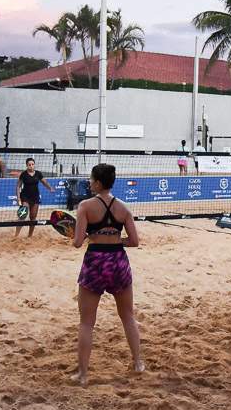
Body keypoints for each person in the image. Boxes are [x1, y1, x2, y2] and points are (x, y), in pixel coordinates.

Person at [70, 162, 143, 384]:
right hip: (118, 261)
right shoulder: (124, 207)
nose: (90, 182)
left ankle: (83, 374)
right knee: (128, 316)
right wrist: (114, 239)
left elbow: (77, 242)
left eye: (91, 179)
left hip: (95, 261)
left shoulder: (85, 206)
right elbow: (134, 241)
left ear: (98, 183)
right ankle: (138, 364)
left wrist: (88, 237)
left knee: (87, 322)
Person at [15, 158, 56, 238]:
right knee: (22, 215)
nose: (31, 166)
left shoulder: (38, 174)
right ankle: (16, 235)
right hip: (25, 196)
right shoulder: (24, 174)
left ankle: (30, 236)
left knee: (33, 218)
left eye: (32, 164)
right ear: (27, 166)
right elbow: (18, 186)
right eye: (29, 165)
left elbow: (44, 182)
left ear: (34, 165)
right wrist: (18, 197)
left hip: (35, 197)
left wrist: (50, 188)